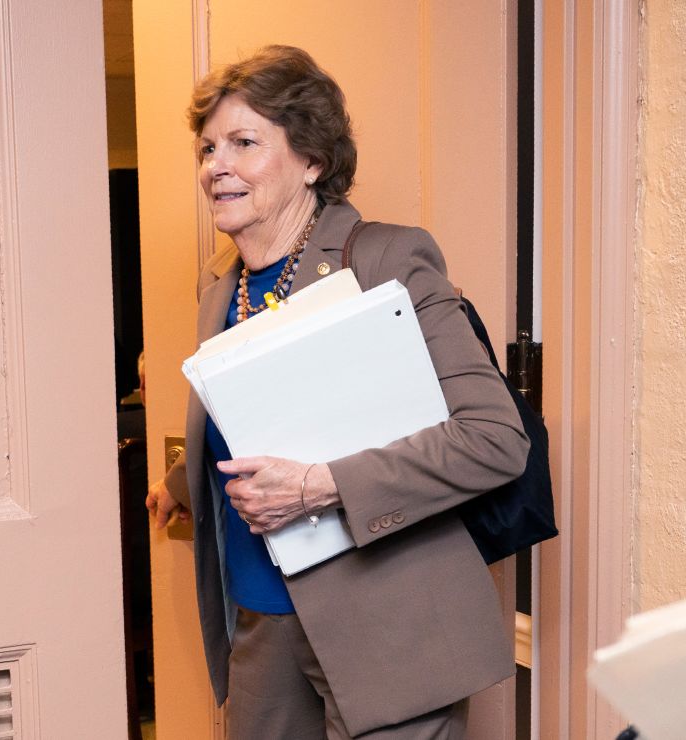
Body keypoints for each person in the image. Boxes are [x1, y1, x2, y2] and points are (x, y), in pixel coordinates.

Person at [146, 45, 530, 740]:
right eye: (208, 148)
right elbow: (271, 409)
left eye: (243, 142)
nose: (215, 166)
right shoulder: (218, 287)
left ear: (312, 159)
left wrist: (319, 487)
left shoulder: (386, 260)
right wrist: (182, 477)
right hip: (261, 623)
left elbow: (494, 439)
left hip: (388, 626)